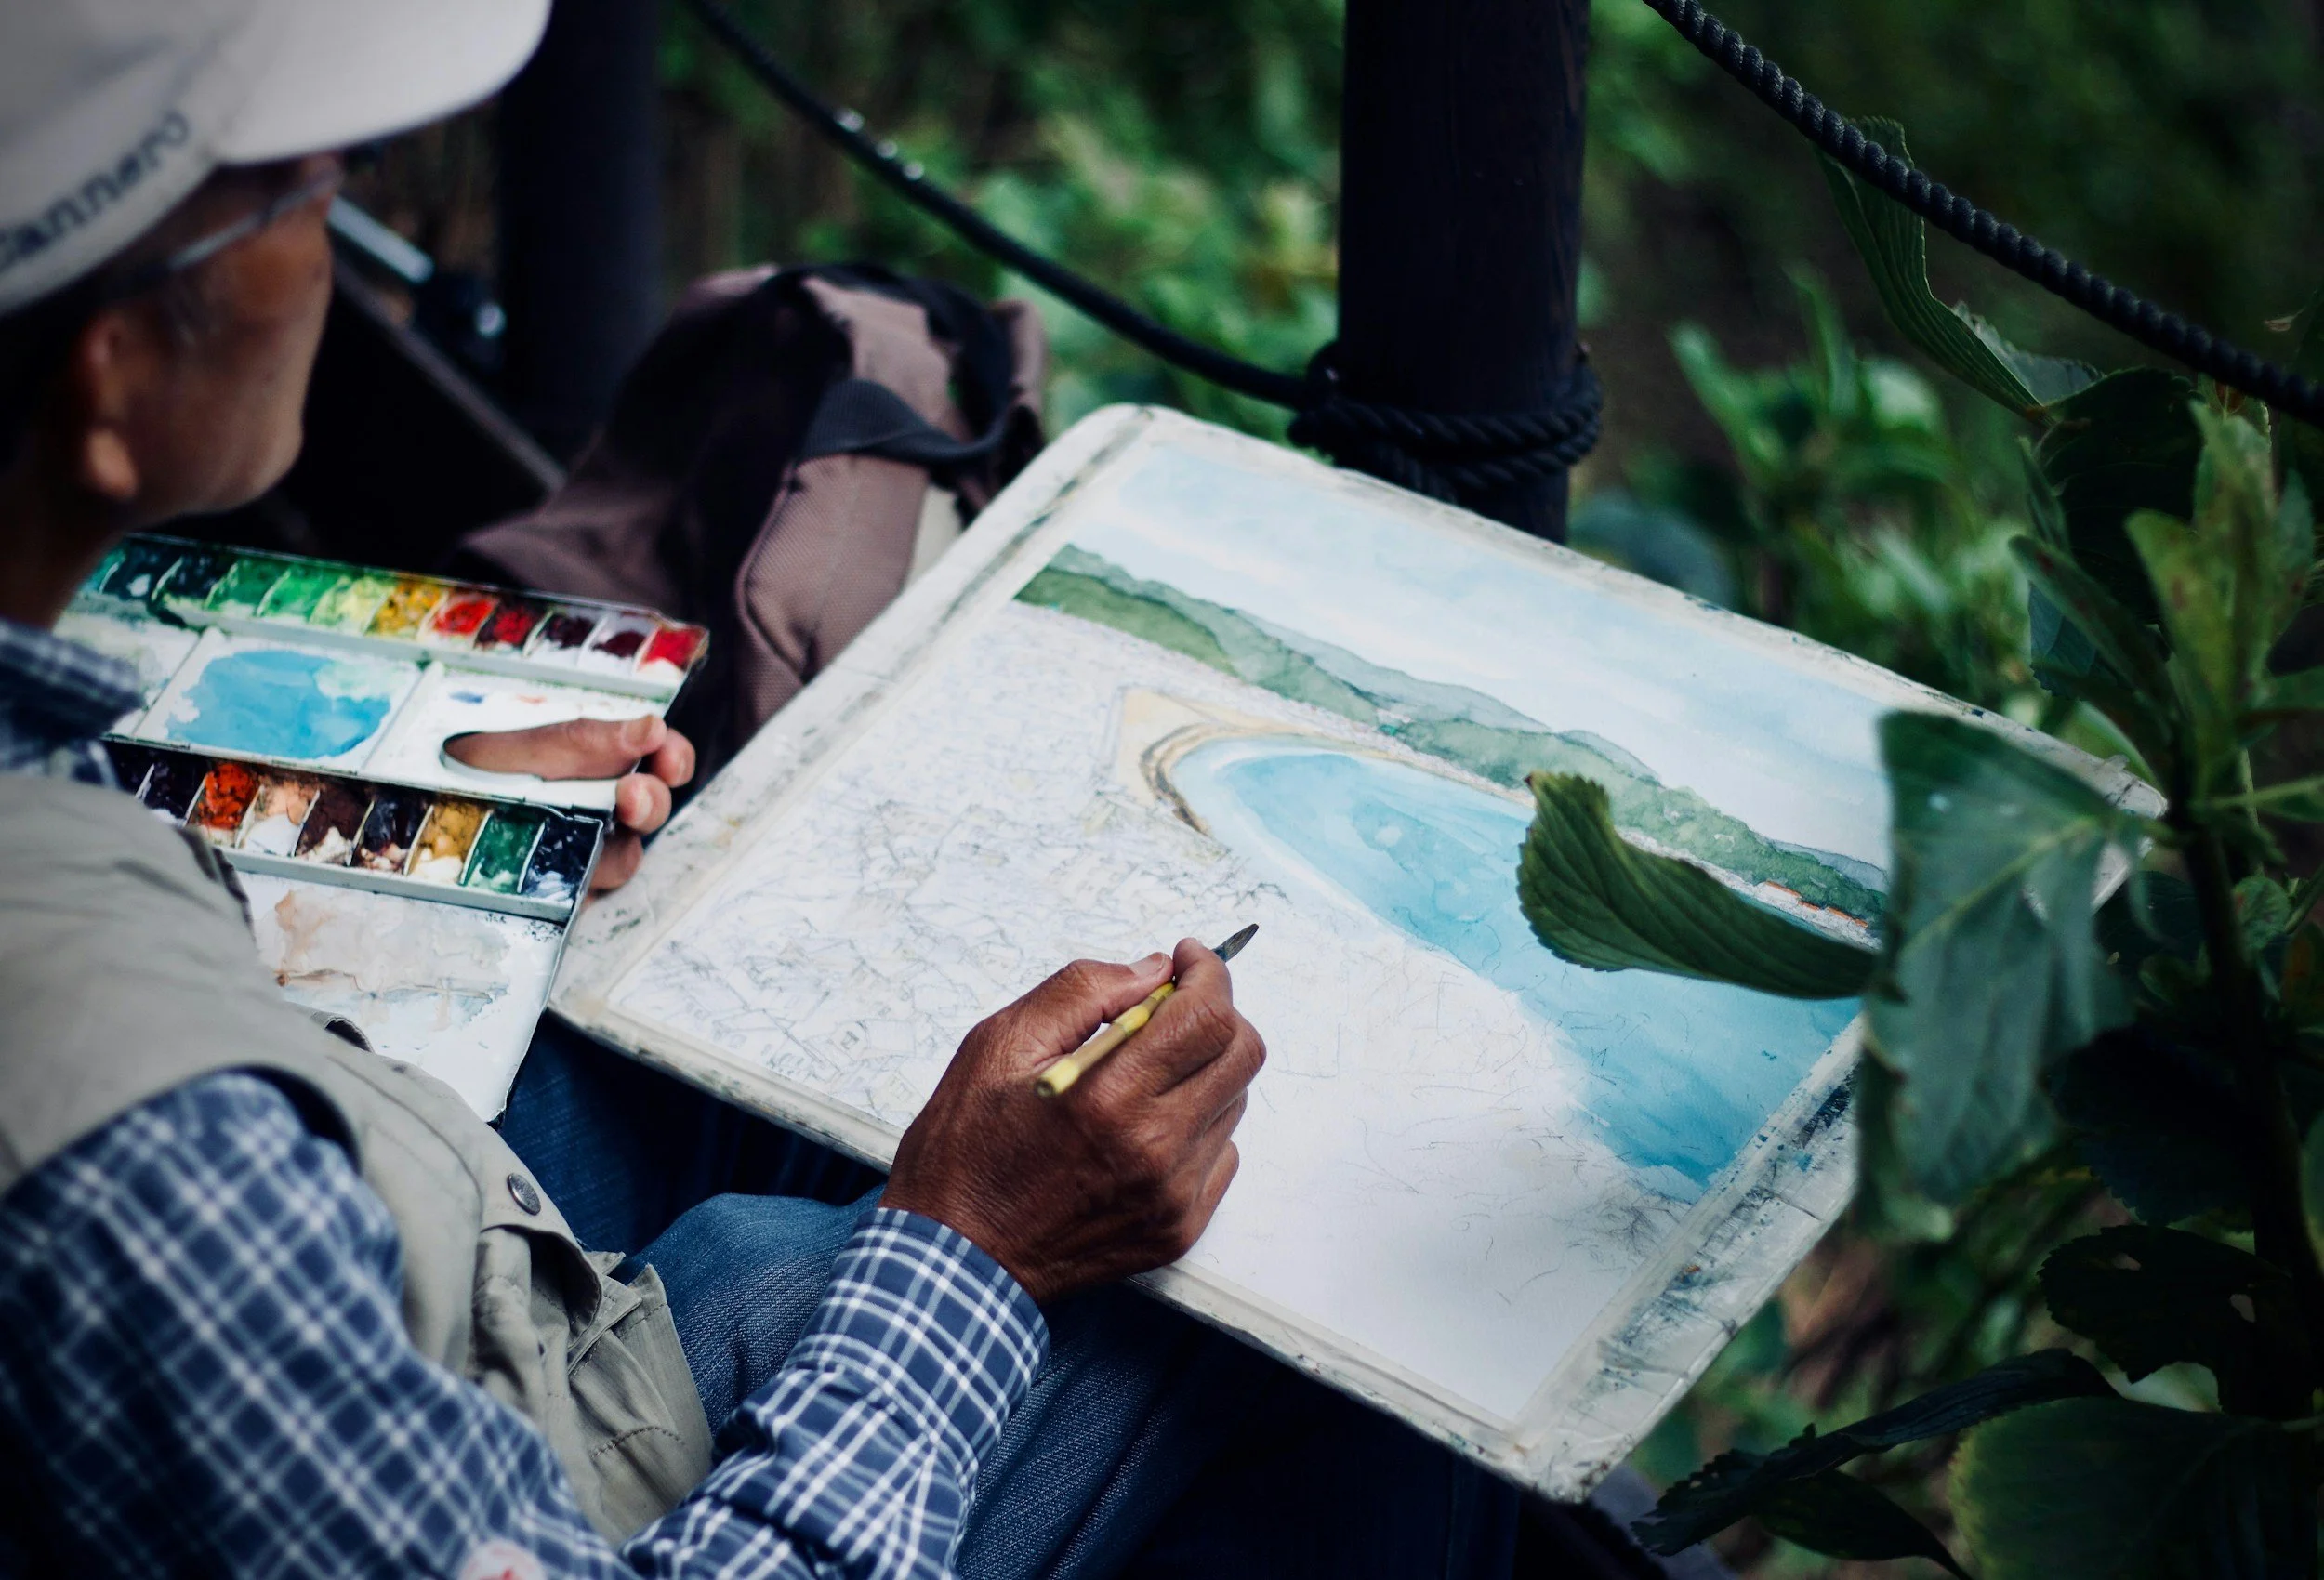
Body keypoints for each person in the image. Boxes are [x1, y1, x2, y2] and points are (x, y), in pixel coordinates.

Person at [0, 4, 1521, 1576]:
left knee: (760, 1069)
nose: (333, 212)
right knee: (1316, 1353)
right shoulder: (129, 1157)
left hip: (393, 1207)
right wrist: (968, 1257)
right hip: (533, 1457)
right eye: (293, 189)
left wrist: (397, 818)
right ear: (107, 383)